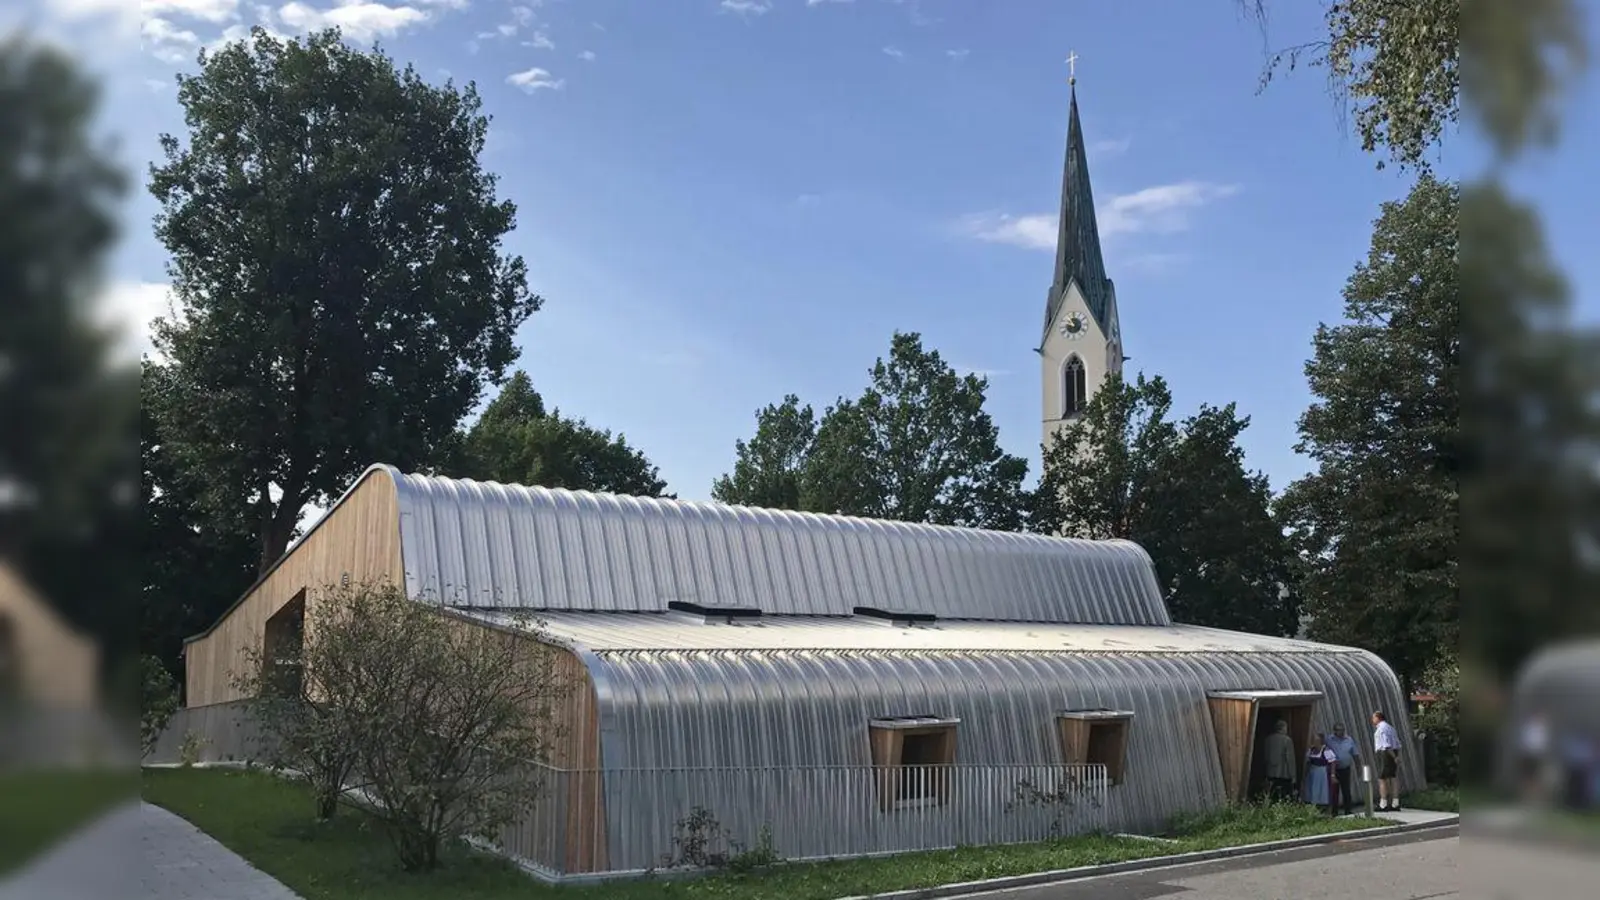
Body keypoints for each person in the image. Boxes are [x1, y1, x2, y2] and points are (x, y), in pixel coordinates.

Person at [1325, 723, 1362, 815]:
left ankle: (1348, 810)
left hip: (1345, 768)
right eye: (1339, 730)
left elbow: (1355, 754)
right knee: (1334, 791)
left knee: (1346, 790)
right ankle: (1334, 811)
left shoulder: (1349, 740)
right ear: (1334, 731)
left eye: (1342, 730)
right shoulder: (1329, 740)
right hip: (1333, 770)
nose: (1341, 732)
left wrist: (1358, 767)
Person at [1371, 710, 1402, 811]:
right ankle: (1395, 803)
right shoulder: (1391, 728)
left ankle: (1383, 804)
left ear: (1378, 718)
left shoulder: (1381, 729)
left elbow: (1386, 745)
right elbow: (1397, 743)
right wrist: (1396, 756)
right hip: (1394, 751)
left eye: (1373, 717)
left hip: (1385, 753)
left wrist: (1394, 757)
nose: (1372, 720)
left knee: (1382, 778)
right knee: (1393, 777)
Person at [1303, 733, 1339, 816]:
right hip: (1312, 773)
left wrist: (1332, 775)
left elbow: (1333, 762)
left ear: (1320, 741)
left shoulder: (1326, 750)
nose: (1314, 741)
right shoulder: (1311, 750)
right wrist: (1305, 774)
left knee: (1322, 790)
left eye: (1316, 740)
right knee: (1312, 791)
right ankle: (1313, 810)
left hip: (1322, 773)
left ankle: (1325, 810)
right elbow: (1308, 763)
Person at [1262, 719, 1297, 802]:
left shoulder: (1268, 739)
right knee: (1284, 796)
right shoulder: (1287, 740)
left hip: (1270, 772)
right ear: (1283, 728)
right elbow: (1290, 759)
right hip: (1283, 773)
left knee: (1271, 795)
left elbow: (1265, 756)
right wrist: (1293, 775)